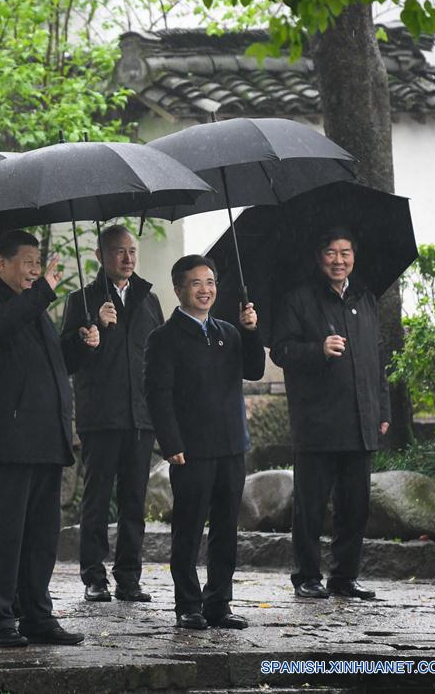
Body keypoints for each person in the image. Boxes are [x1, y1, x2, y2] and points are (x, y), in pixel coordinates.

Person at [0, 229, 99, 647]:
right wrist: (40, 294)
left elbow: (50, 364)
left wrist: (80, 344)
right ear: (0, 264)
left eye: (38, 263)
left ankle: (38, 616)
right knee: (4, 534)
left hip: (45, 437)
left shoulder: (33, 309)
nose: (35, 271)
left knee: (42, 537)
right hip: (10, 439)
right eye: (27, 262)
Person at [145, 255, 264, 630]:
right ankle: (188, 605)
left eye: (210, 282)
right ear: (179, 289)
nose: (205, 290)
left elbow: (255, 370)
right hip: (191, 450)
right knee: (189, 528)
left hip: (231, 446)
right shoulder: (163, 338)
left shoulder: (228, 332)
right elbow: (157, 395)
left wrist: (250, 331)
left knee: (226, 529)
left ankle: (218, 602)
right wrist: (171, 442)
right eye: (196, 283)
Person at [270, 228, 390, 600]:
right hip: (317, 423)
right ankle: (306, 576)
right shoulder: (299, 299)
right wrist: (318, 349)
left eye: (346, 252)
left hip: (360, 421)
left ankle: (345, 576)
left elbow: (376, 360)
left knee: (355, 505)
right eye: (330, 253)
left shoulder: (365, 299)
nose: (339, 260)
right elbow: (281, 351)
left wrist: (382, 408)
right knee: (311, 506)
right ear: (318, 256)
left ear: (354, 256)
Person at [60, 224, 162, 603]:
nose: (128, 258)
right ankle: (93, 576)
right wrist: (94, 328)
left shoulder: (149, 300)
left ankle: (129, 577)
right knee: (97, 499)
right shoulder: (82, 301)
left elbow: (159, 356)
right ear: (100, 257)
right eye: (119, 251)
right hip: (101, 415)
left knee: (135, 500)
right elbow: (67, 358)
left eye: (132, 251)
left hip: (141, 417)